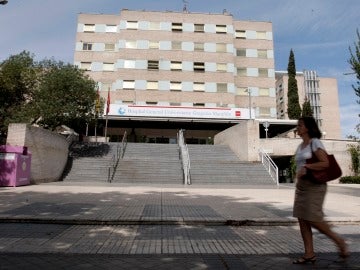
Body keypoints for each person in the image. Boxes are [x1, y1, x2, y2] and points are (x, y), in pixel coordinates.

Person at [292, 116, 349, 264]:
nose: (297, 127)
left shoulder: (315, 142)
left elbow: (325, 163)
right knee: (302, 219)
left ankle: (340, 242)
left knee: (313, 218)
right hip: (302, 187)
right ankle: (309, 254)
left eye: (300, 125)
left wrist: (307, 167)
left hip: (314, 186)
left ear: (308, 128)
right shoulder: (300, 146)